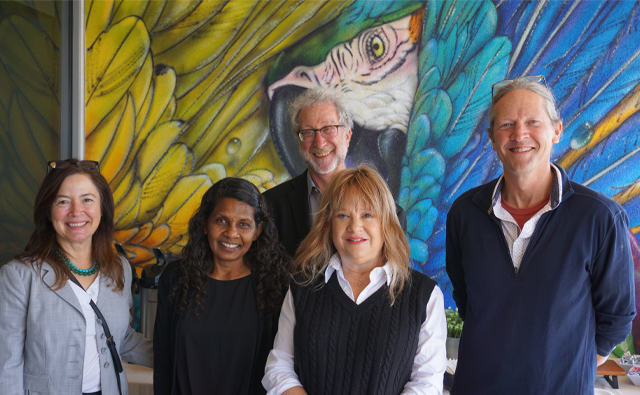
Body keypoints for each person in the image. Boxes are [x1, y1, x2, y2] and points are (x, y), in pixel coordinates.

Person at [445, 76, 636, 394]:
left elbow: (615, 318)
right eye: (506, 124)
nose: (519, 134)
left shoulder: (600, 218)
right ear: (492, 137)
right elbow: (468, 302)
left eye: (533, 122)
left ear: (557, 130)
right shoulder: (465, 214)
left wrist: (566, 368)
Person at [263, 165, 446, 395]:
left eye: (367, 215)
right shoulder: (302, 286)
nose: (354, 226)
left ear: (387, 223)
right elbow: (278, 367)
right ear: (329, 224)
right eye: (342, 215)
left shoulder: (424, 296)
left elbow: (426, 384)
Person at [0, 159, 153, 395]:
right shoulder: (19, 276)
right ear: (49, 213)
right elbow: (7, 365)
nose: (76, 211)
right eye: (63, 201)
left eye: (87, 200)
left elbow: (120, 337)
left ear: (102, 208)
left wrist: (179, 356)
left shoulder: (119, 267)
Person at [153, 177, 290, 395]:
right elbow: (162, 362)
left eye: (243, 224)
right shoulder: (176, 279)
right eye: (221, 221)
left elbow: (282, 367)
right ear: (205, 224)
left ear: (257, 231)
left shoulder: (275, 285)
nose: (231, 233)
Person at [263, 88, 406, 257]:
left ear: (347, 135)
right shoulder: (270, 206)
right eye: (308, 132)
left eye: (328, 129)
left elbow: (392, 277)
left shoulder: (388, 212)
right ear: (299, 141)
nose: (320, 142)